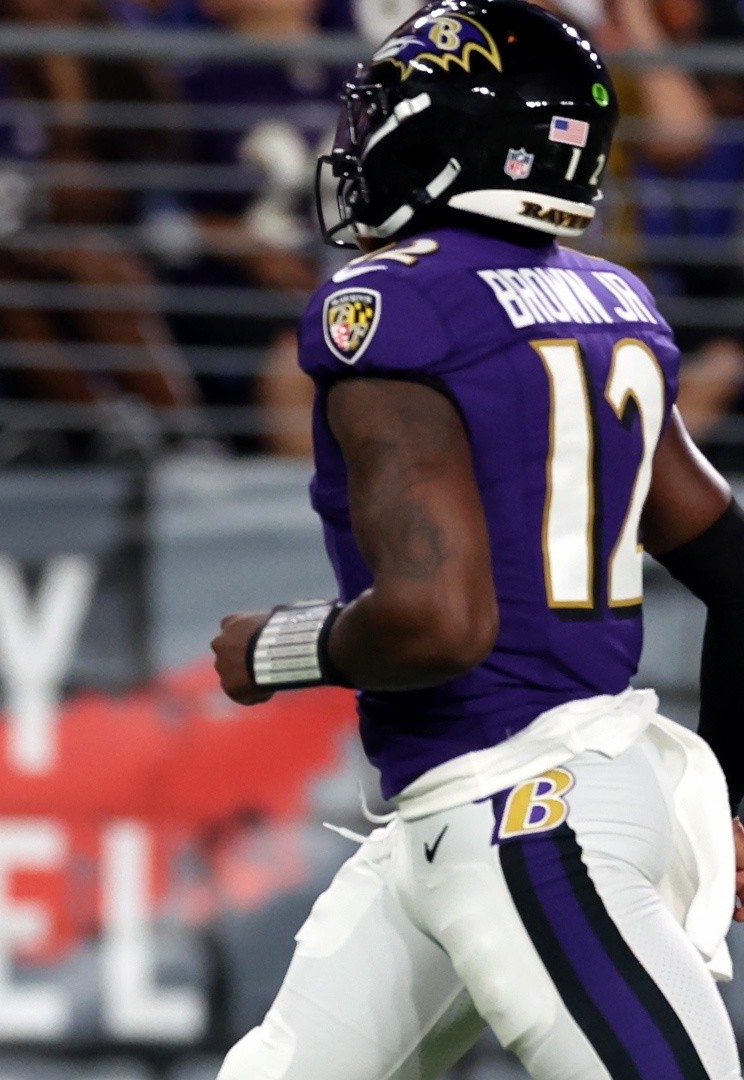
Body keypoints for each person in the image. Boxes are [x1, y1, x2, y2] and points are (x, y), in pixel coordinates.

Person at [207, 1, 744, 1075]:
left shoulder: (397, 302)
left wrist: (273, 650)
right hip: (479, 809)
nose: (359, 143)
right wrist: (733, 792)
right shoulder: (612, 301)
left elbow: (440, 622)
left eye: (383, 116)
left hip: (525, 812)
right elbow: (735, 568)